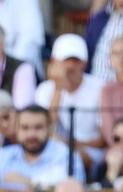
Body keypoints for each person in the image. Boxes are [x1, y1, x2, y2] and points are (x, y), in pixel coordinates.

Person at [0, 104, 84, 188]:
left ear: (49, 129)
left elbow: (73, 189)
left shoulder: (66, 156)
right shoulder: (5, 155)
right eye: (25, 128)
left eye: (38, 127)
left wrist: (26, 182)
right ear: (17, 130)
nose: (31, 134)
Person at [35, 32, 107, 169]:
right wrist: (58, 89)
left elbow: (102, 140)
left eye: (75, 61)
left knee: (74, 158)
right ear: (54, 62)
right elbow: (46, 125)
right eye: (65, 60)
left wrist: (70, 145)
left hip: (89, 150)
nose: (70, 66)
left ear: (84, 63)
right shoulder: (44, 90)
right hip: (55, 148)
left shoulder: (100, 88)